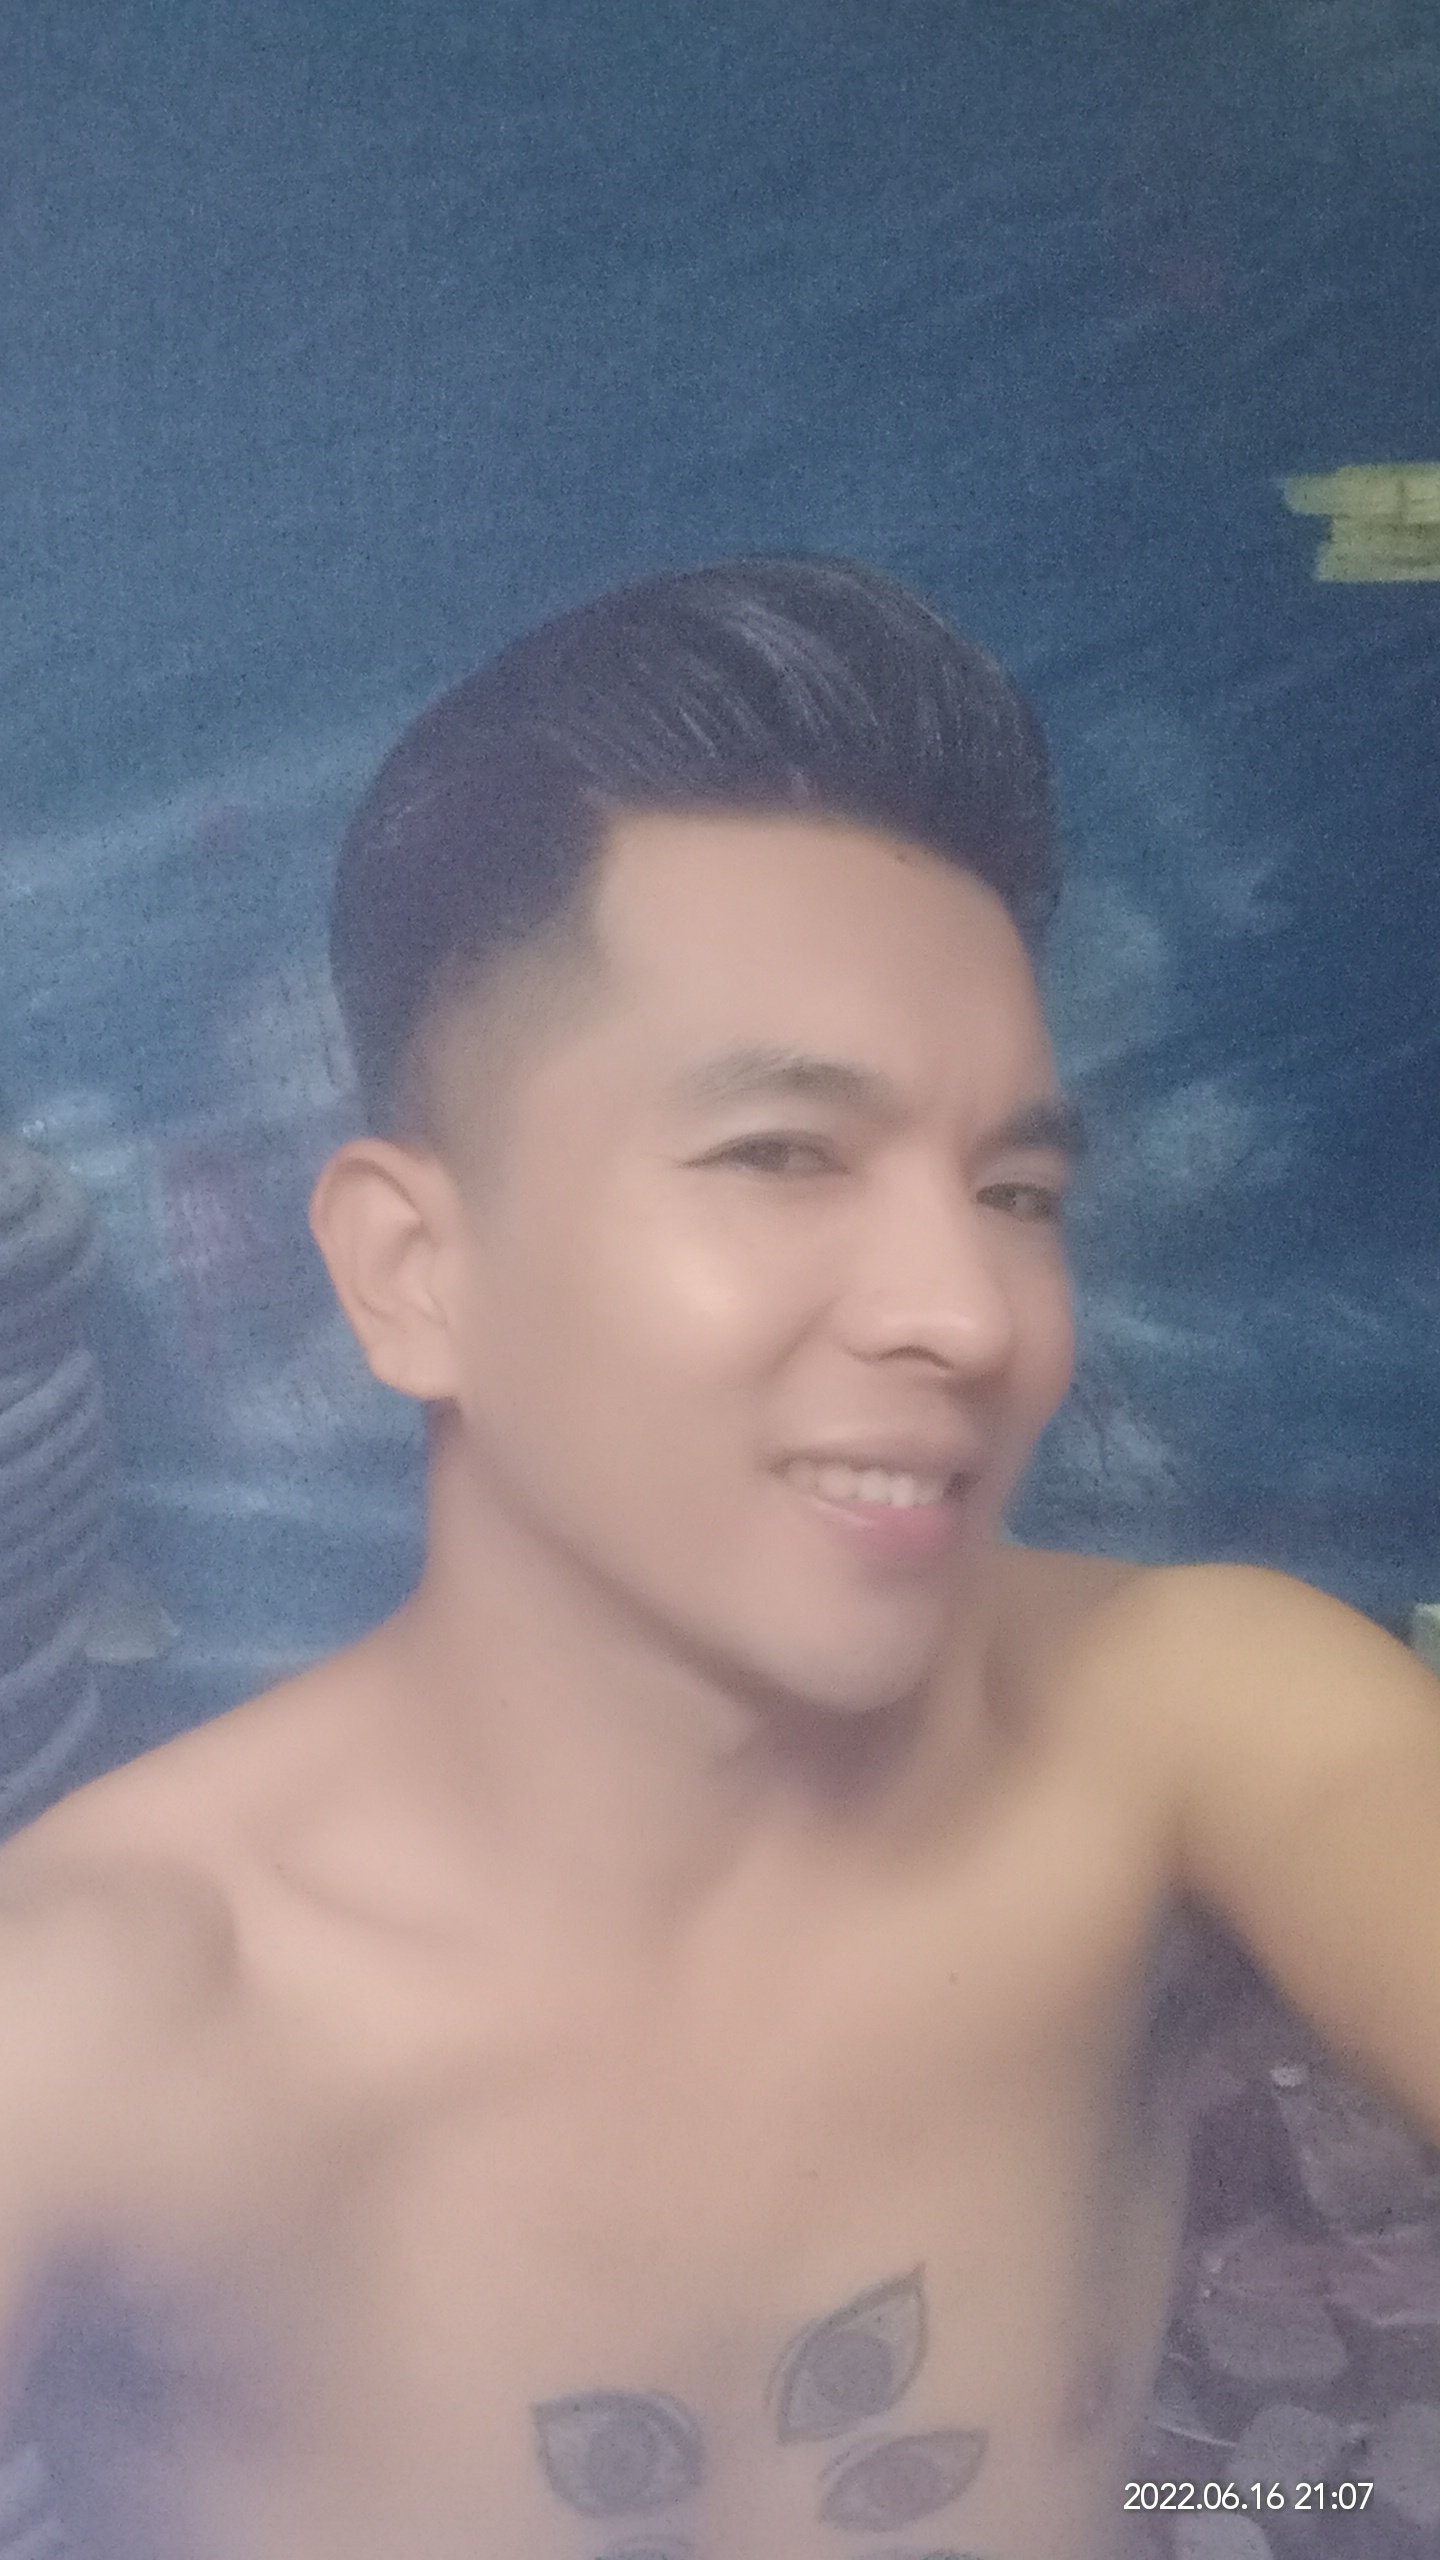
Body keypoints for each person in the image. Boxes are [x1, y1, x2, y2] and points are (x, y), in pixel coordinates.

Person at [3, 553, 1439, 2560]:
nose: (971, 1312)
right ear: (414, 1272)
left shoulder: (1181, 1718)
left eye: (1016, 1189)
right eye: (782, 1155)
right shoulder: (102, 2012)